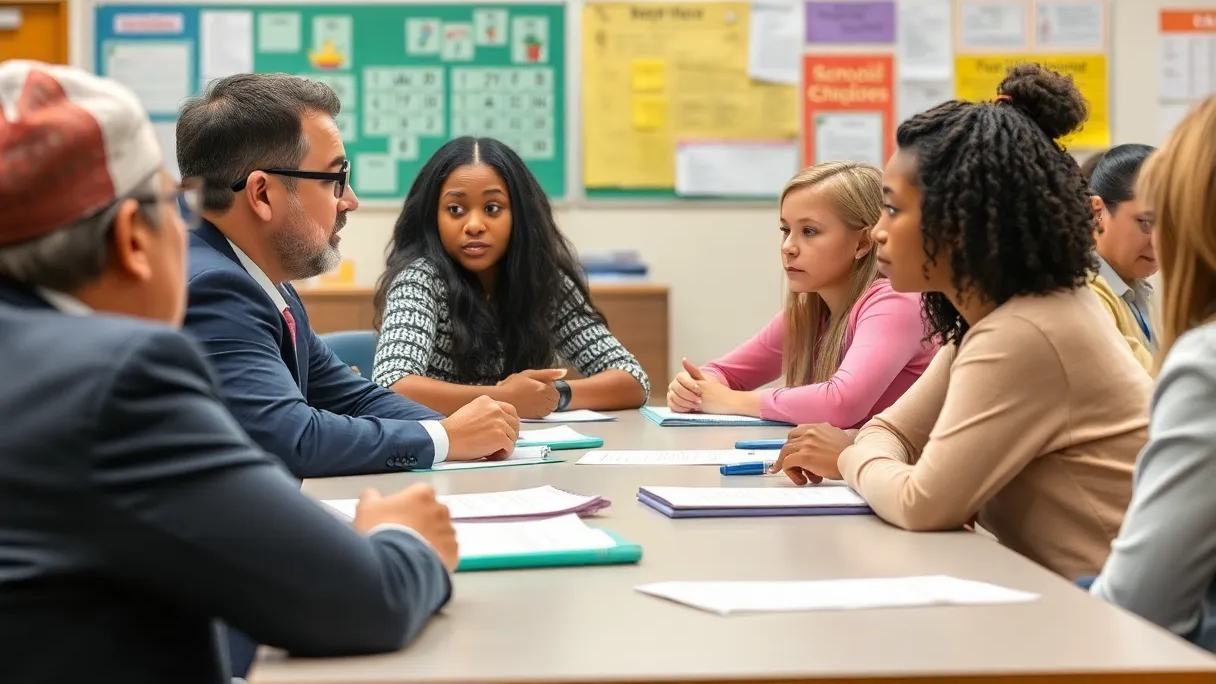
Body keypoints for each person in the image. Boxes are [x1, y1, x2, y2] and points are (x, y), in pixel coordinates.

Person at [0, 60, 457, 684]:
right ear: (134, 237)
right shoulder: (116, 377)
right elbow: (361, 599)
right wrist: (403, 535)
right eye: (175, 203)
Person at [773, 64, 1151, 580]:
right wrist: (873, 454)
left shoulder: (1028, 330)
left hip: (1119, 623)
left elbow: (922, 503)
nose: (878, 233)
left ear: (963, 221)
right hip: (1061, 596)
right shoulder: (995, 319)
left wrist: (847, 460)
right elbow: (889, 431)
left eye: (893, 210)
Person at [176, 75, 520, 480]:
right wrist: (443, 438)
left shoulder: (257, 276)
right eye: (334, 179)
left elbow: (351, 397)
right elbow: (293, 438)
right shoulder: (214, 288)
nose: (350, 200)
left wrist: (474, 428)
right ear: (263, 194)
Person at [371, 136, 648, 417]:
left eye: (492, 208)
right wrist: (506, 398)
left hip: (528, 452)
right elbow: (391, 386)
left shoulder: (543, 281)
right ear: (433, 217)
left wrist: (553, 396)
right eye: (455, 210)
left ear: (520, 215)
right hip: (447, 454)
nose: (475, 225)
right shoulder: (420, 280)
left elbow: (632, 379)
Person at [666, 161, 936, 427]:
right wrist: (692, 389)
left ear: (863, 242)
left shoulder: (896, 301)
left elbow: (841, 404)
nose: (788, 247)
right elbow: (722, 374)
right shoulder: (810, 313)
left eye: (809, 231)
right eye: (786, 230)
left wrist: (729, 401)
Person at [1089, 98, 1216, 653]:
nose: (1155, 239)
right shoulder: (1093, 295)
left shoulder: (1205, 362)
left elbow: (1138, 606)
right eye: (1144, 222)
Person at [1086, 144, 1157, 370]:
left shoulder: (1141, 289)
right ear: (1098, 212)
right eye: (1146, 222)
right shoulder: (1086, 295)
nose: (1158, 241)